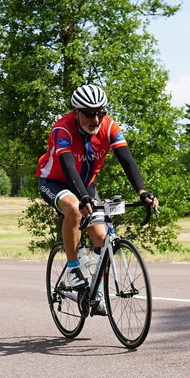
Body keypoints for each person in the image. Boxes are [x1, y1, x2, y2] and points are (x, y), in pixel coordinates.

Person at [36, 84, 159, 315]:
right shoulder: (62, 129)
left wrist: (142, 192)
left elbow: (127, 161)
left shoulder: (110, 127)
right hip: (54, 181)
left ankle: (96, 290)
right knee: (73, 208)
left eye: (100, 112)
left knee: (103, 238)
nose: (96, 118)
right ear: (76, 112)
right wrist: (82, 198)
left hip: (86, 184)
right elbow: (68, 166)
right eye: (90, 113)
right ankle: (73, 268)